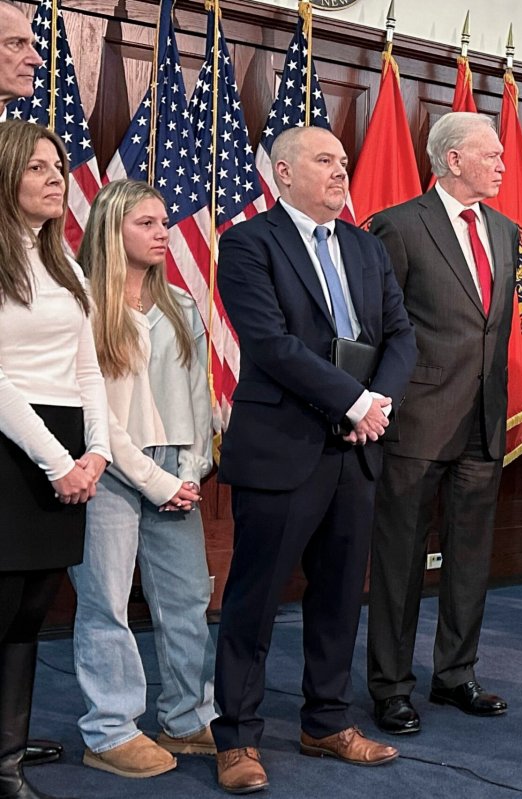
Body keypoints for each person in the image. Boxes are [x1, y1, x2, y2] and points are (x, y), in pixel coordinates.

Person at [211, 125, 416, 794]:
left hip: (356, 449)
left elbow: (399, 335)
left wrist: (374, 404)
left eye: (343, 161)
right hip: (284, 447)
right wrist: (355, 401)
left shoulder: (365, 245)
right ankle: (238, 736)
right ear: (283, 172)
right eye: (325, 160)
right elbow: (271, 344)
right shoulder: (247, 243)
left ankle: (325, 720)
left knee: (338, 595)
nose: (339, 171)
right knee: (256, 597)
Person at [367, 112, 516, 736]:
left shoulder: (506, 232)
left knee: (470, 557)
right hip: (416, 423)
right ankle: (390, 686)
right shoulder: (398, 226)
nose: (504, 163)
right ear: (452, 159)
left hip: (483, 422)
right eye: (493, 153)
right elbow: (377, 329)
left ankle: (456, 674)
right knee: (400, 561)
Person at [67, 180, 215, 779]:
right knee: (106, 601)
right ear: (111, 229)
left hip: (175, 468)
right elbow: (95, 411)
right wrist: (157, 480)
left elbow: (198, 395)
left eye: (163, 223)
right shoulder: (86, 305)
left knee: (186, 599)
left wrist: (190, 466)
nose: (162, 234)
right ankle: (109, 728)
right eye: (146, 224)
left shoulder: (180, 304)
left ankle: (186, 717)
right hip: (110, 465)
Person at [0, 120, 110, 799]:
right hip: (13, 449)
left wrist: (94, 450)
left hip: (67, 449)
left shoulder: (64, 261)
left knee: (28, 617)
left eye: (59, 166)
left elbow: (89, 368)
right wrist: (54, 460)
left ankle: (7, 757)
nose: (54, 178)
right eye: (38, 166)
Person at [0, 2, 70, 775]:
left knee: (24, 607)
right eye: (16, 42)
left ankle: (5, 745)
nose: (32, 55)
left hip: (34, 418)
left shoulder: (20, 137)